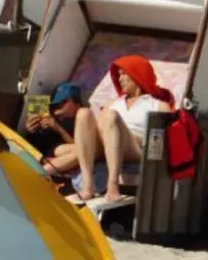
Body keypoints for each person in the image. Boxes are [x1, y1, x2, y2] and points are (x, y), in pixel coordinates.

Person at [73, 56, 175, 205]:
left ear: (137, 74)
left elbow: (163, 141)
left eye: (123, 74)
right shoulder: (113, 103)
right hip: (107, 141)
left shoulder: (158, 105)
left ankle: (112, 183)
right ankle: (87, 186)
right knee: (83, 113)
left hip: (136, 148)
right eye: (118, 75)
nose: (120, 79)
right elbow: (99, 129)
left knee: (111, 115)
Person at [23, 82, 86, 180]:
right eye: (56, 102)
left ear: (74, 103)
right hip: (35, 148)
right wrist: (28, 127)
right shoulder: (41, 104)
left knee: (81, 151)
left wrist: (58, 128)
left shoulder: (80, 117)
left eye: (62, 102)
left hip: (56, 150)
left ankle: (43, 170)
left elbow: (80, 147)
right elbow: (27, 132)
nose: (57, 105)